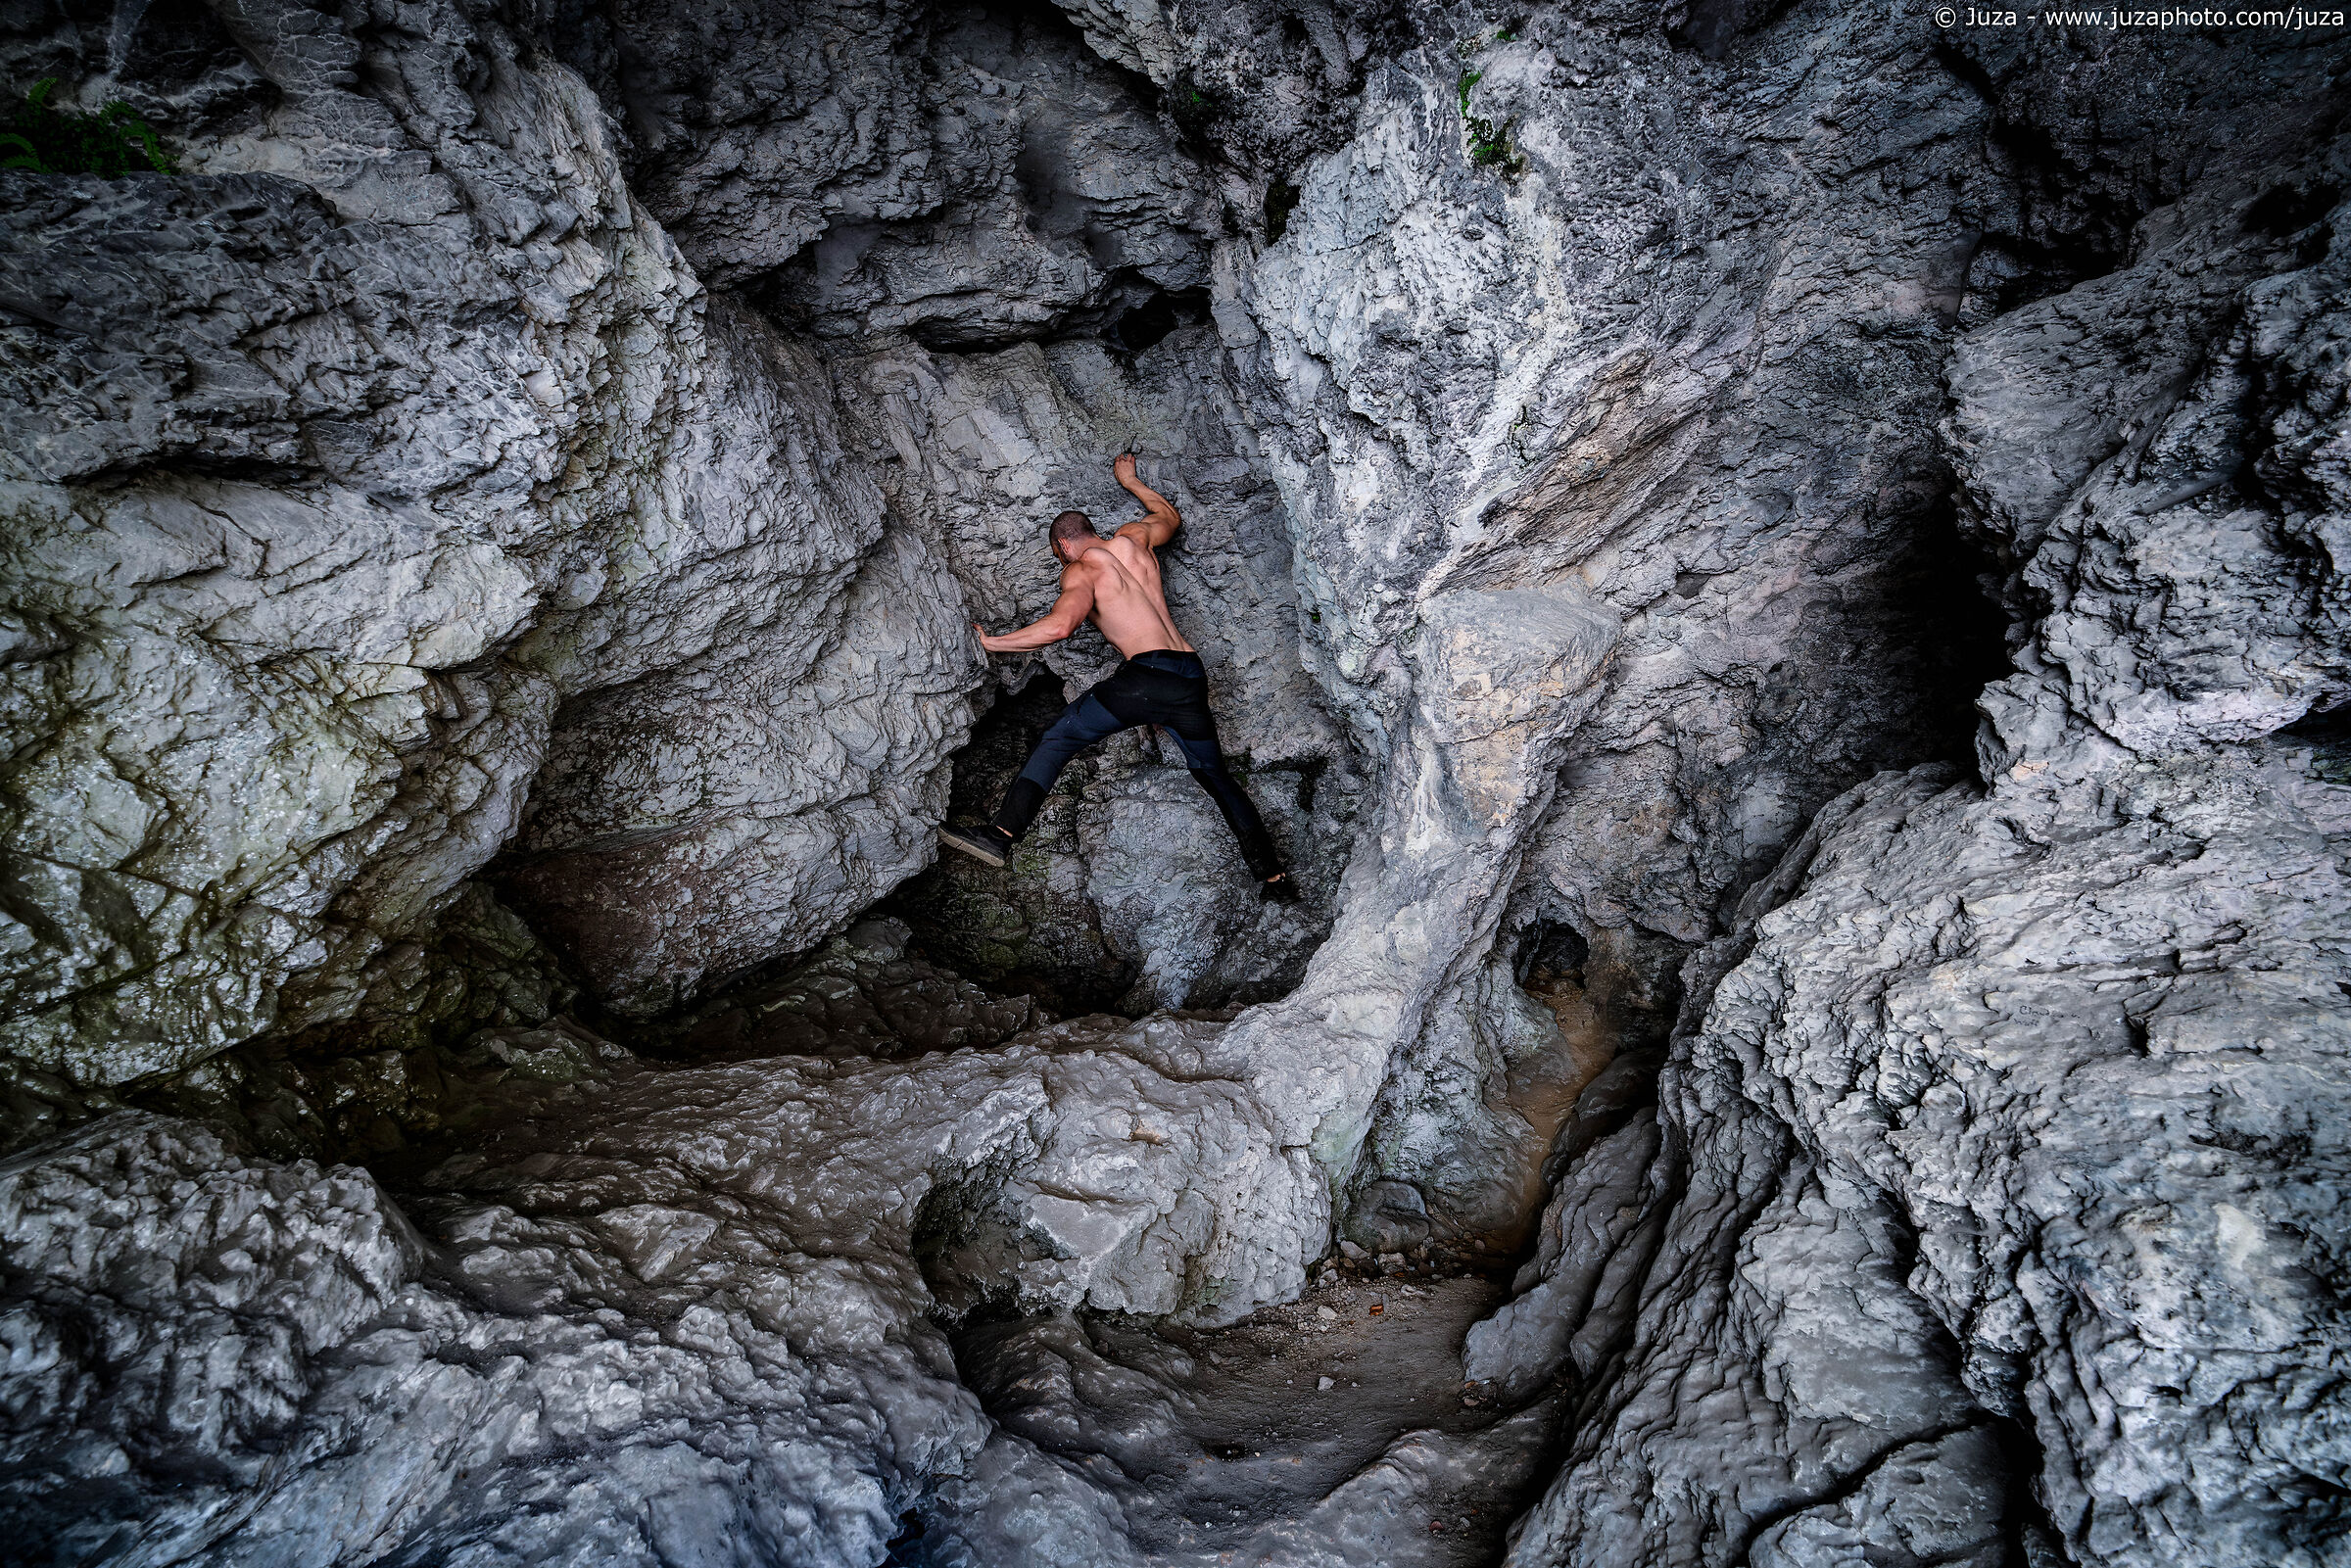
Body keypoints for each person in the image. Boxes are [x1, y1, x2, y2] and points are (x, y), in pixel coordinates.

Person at [940, 454, 1297, 902]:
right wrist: (1131, 481)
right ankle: (1273, 879)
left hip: (1145, 677)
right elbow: (1169, 516)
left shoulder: (1081, 569)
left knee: (1058, 739)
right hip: (1189, 675)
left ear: (1063, 547)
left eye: (1058, 560)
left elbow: (1058, 628)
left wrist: (991, 643)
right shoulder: (1134, 539)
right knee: (1215, 776)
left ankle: (999, 836)